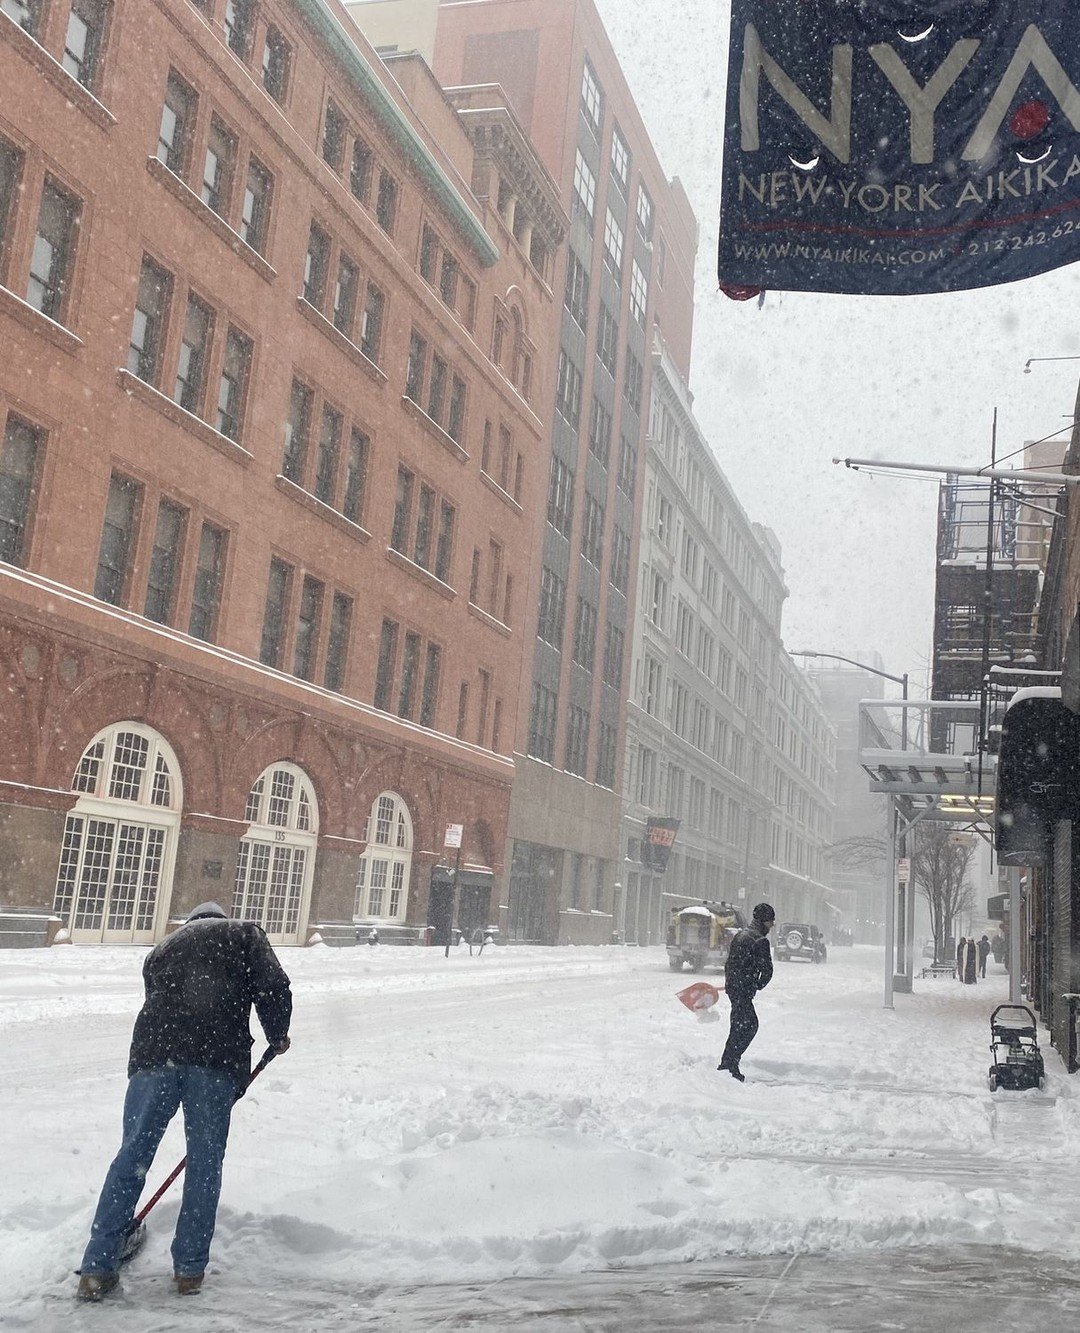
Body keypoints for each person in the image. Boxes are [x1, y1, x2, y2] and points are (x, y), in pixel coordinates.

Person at [76, 902, 292, 1303]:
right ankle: (188, 1271)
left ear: (192, 922)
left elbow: (158, 1004)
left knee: (132, 1156)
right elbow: (273, 986)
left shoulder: (161, 949)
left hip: (153, 1059)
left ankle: (97, 1266)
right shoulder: (244, 933)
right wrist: (277, 1035)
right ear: (219, 919)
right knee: (204, 1161)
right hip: (212, 1060)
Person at [718, 901, 775, 1082]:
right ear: (763, 921)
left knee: (738, 1026)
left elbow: (729, 964)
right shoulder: (760, 941)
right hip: (744, 990)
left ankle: (728, 1064)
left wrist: (731, 983)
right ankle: (729, 1064)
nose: (772, 925)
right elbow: (767, 971)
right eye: (770, 921)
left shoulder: (740, 935)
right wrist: (756, 984)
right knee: (749, 1026)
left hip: (735, 988)